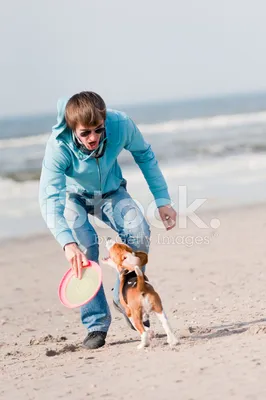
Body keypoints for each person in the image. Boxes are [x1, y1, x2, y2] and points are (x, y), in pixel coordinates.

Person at [39, 91, 176, 349]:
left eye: (98, 130)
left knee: (139, 232)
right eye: (85, 133)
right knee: (84, 247)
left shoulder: (120, 124)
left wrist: (162, 200)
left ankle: (124, 299)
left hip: (112, 192)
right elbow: (49, 200)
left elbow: (144, 155)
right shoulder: (58, 147)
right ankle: (96, 324)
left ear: (104, 121)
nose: (93, 138)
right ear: (73, 129)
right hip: (73, 197)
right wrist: (67, 243)